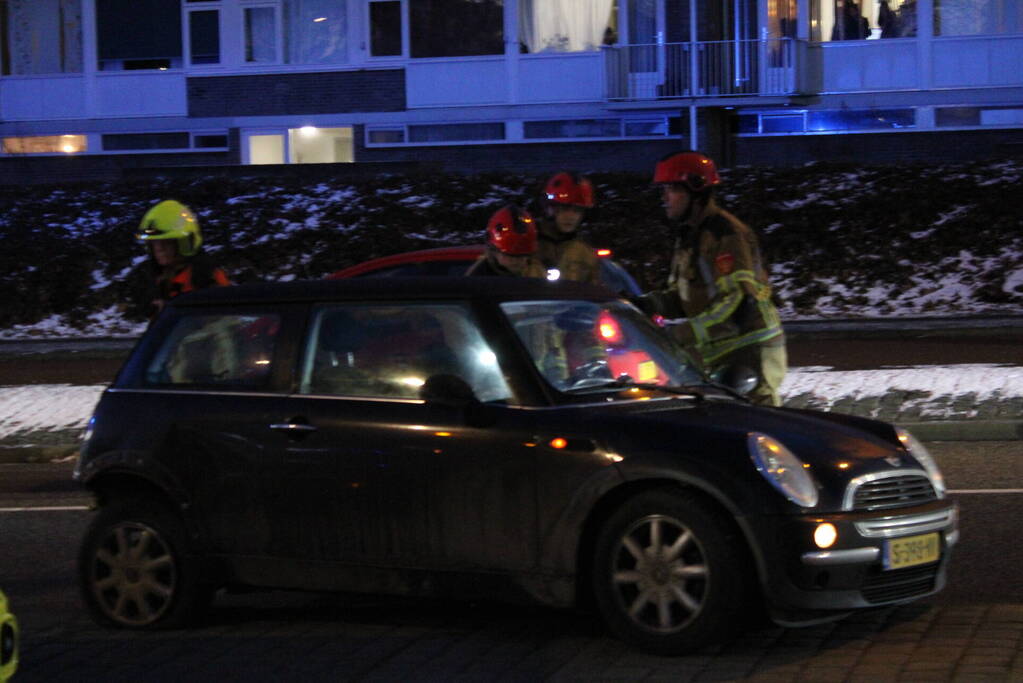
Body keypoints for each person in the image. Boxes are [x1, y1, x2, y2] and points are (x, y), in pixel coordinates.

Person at [641, 151, 786, 406]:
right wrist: (644, 305)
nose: (664, 198)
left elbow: (738, 302)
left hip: (750, 350)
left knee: (758, 431)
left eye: (672, 190)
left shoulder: (725, 235)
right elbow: (684, 297)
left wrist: (681, 334)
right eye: (663, 190)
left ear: (696, 191)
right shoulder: (690, 236)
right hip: (725, 353)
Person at [129, 199, 231, 321]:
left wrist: (174, 312)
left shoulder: (206, 276)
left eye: (166, 242)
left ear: (184, 243)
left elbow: (223, 321)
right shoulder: (155, 279)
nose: (159, 249)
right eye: (154, 243)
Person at [536, 172, 601, 285]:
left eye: (577, 210)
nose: (570, 217)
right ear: (550, 209)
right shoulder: (529, 244)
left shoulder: (585, 252)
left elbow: (595, 291)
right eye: (565, 208)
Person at [466, 205, 547, 278]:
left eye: (522, 256)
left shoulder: (537, 272)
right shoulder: (479, 277)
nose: (516, 261)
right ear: (494, 251)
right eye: (510, 256)